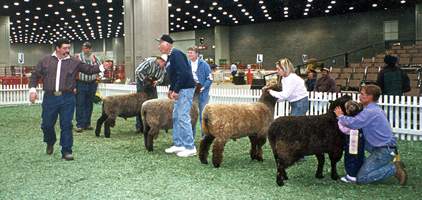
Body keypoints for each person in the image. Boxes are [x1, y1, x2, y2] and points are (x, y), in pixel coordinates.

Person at [29, 38, 112, 161]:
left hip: (68, 98)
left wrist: (101, 67)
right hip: (50, 98)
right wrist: (32, 90)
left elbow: (88, 70)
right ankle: (50, 141)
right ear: (57, 48)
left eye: (68, 48)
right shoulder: (45, 61)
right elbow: (35, 75)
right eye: (65, 48)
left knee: (67, 125)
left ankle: (67, 151)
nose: (67, 50)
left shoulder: (74, 61)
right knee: (46, 125)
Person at [334, 85, 407, 185]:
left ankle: (394, 169)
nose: (359, 96)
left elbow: (354, 123)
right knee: (357, 144)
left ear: (370, 97)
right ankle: (363, 166)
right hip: (379, 146)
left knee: (362, 178)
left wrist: (340, 116)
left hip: (384, 149)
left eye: (362, 94)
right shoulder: (372, 109)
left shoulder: (370, 111)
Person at [157, 34, 197, 157]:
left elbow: (183, 74)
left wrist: (177, 90)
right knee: (176, 116)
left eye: (160, 43)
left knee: (183, 116)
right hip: (181, 89)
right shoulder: (171, 56)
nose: (159, 46)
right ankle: (179, 144)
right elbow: (174, 75)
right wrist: (171, 89)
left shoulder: (177, 54)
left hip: (185, 89)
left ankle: (190, 147)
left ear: (167, 44)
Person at [134, 55, 167, 132]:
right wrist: (145, 81)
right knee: (141, 105)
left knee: (154, 104)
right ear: (160, 60)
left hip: (152, 84)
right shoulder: (149, 62)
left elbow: (162, 77)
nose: (164, 65)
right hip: (142, 84)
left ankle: (153, 125)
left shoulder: (162, 67)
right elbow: (138, 71)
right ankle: (139, 127)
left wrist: (157, 82)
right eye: (164, 63)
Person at [74, 42, 102, 133]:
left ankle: (87, 123)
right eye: (84, 48)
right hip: (80, 83)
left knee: (89, 104)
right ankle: (79, 124)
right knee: (80, 104)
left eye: (87, 48)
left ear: (90, 49)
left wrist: (98, 78)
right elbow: (73, 71)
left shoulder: (95, 58)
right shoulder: (77, 58)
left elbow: (101, 68)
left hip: (92, 84)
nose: (86, 49)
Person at [187, 46, 213, 138]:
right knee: (191, 115)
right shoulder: (187, 64)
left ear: (197, 54)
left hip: (202, 93)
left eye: (191, 52)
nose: (189, 54)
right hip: (191, 93)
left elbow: (210, 79)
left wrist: (203, 87)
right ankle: (191, 137)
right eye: (188, 52)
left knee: (203, 115)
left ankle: (204, 137)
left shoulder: (204, 64)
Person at [337, 100, 365, 183]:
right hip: (360, 139)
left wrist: (340, 117)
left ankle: (351, 176)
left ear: (347, 111)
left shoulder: (347, 121)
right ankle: (358, 172)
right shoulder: (360, 119)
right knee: (359, 155)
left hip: (351, 140)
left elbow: (343, 130)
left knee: (350, 157)